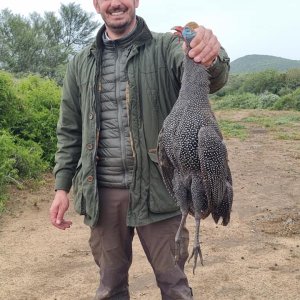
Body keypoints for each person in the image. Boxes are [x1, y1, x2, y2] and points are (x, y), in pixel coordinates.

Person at [50, 0, 230, 299]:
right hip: (102, 195)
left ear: (135, 2)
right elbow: (69, 131)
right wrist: (61, 187)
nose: (115, 2)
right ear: (96, 5)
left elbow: (211, 76)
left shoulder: (166, 47)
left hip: (160, 192)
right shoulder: (80, 62)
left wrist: (209, 54)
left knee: (174, 286)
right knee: (110, 288)